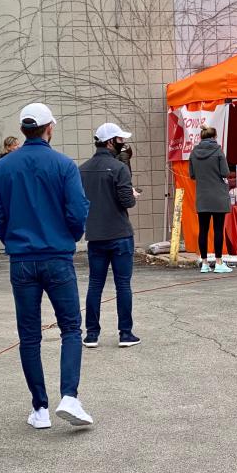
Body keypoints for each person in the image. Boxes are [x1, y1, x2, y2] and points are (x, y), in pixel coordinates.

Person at [0, 102, 93, 429]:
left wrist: (11, 239)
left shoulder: (2, 168)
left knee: (29, 335)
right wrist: (68, 236)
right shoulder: (63, 165)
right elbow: (78, 210)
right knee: (71, 328)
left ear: (22, 130)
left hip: (22, 260)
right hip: (57, 257)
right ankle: (69, 396)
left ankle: (40, 408)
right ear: (50, 128)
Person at [79, 122, 141, 348]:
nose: (123, 144)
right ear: (110, 142)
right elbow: (127, 201)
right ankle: (125, 333)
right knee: (122, 285)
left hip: (95, 234)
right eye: (120, 140)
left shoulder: (82, 169)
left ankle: (91, 334)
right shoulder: (119, 168)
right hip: (119, 233)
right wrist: (132, 195)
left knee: (95, 284)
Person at [188, 126, 233, 274]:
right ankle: (219, 262)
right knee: (218, 229)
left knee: (203, 230)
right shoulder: (218, 152)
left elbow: (192, 175)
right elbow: (225, 172)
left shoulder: (194, 153)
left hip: (202, 196)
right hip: (218, 196)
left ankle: (205, 263)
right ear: (214, 137)